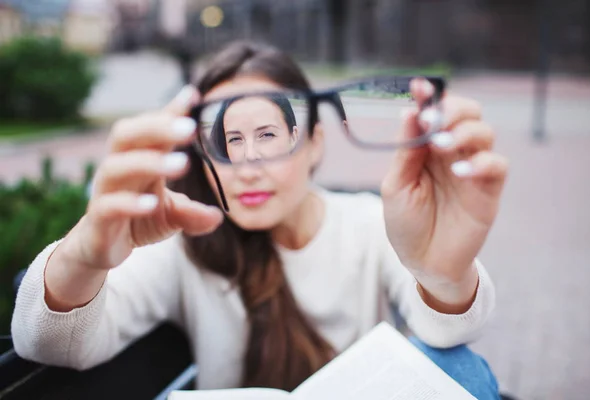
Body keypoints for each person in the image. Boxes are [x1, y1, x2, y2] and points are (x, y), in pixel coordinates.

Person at [11, 41, 508, 399]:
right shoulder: (187, 235)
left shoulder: (368, 224)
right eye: (230, 140)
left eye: (269, 135)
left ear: (314, 142)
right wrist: (83, 254)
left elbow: (448, 334)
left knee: (461, 369)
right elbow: (49, 344)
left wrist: (441, 273)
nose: (248, 166)